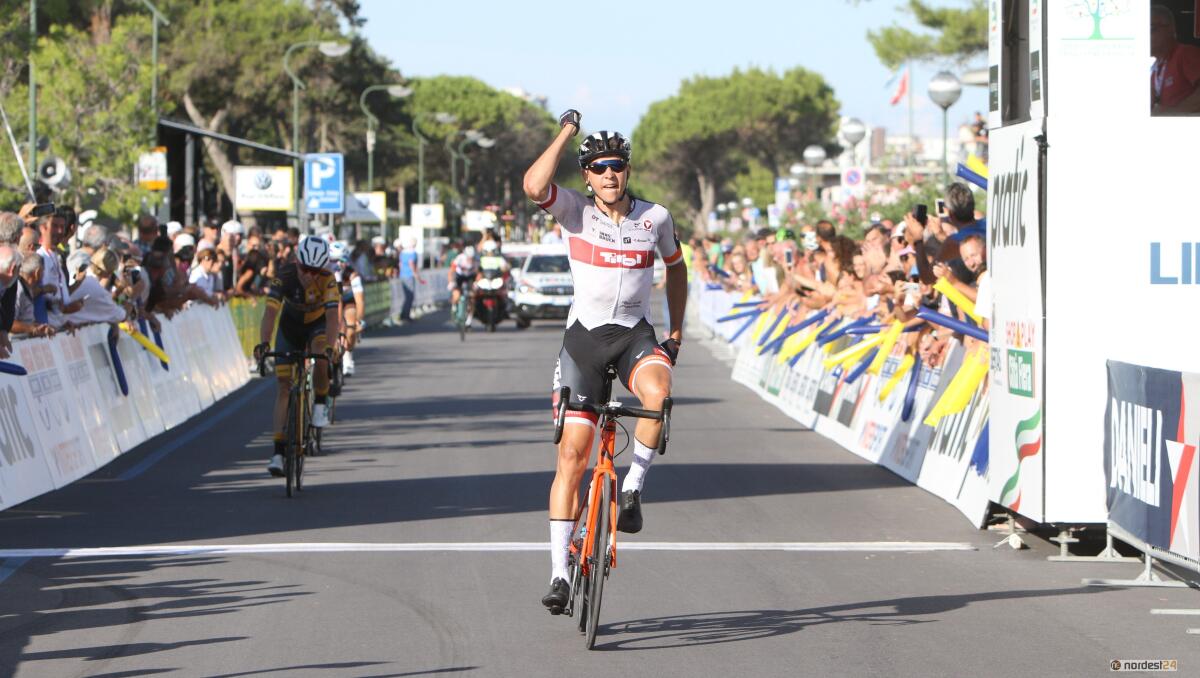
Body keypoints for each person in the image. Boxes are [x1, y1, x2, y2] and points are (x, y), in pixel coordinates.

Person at [523, 110, 686, 612]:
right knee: (572, 455)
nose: (609, 174)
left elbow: (678, 269)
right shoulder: (574, 210)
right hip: (585, 341)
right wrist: (567, 132)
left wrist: (677, 330)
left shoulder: (654, 217)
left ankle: (633, 488)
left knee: (658, 393)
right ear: (586, 175)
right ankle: (558, 575)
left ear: (628, 170)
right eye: (597, 167)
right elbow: (533, 186)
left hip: (634, 334)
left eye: (616, 165)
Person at [253, 236, 340, 477]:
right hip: (289, 327)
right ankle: (278, 452)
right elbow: (270, 313)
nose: (309, 275)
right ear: (297, 262)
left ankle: (321, 401)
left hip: (317, 326)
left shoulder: (328, 279)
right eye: (305, 269)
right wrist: (263, 342)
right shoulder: (286, 274)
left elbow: (333, 319)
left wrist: (331, 348)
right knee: (283, 387)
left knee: (321, 354)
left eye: (315, 270)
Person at [1151, 4, 1200, 115]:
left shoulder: (1185, 53)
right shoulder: (1155, 68)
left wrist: (1172, 113)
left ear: (1171, 29)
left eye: (1151, 29)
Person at [330, 241, 364, 376]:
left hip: (347, 301)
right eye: (334, 260)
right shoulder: (326, 272)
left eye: (342, 260)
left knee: (351, 322)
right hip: (331, 302)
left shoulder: (352, 275)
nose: (339, 264)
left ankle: (348, 356)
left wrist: (359, 320)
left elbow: (360, 300)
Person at [447, 245, 478, 324]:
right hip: (459, 276)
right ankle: (454, 306)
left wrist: (477, 283)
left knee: (472, 297)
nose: (470, 260)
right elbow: (451, 271)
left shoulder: (477, 260)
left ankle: (469, 320)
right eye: (469, 258)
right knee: (456, 294)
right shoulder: (460, 258)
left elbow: (479, 274)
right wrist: (451, 281)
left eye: (472, 258)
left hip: (470, 277)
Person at [397, 238, 423, 322]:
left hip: (402, 275)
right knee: (410, 296)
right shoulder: (413, 253)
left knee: (407, 296)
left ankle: (403, 314)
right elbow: (411, 263)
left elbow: (400, 264)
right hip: (409, 275)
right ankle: (406, 315)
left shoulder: (403, 253)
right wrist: (416, 274)